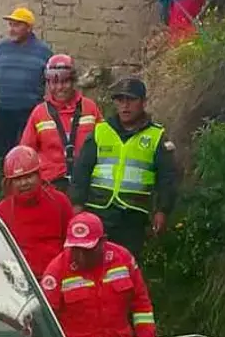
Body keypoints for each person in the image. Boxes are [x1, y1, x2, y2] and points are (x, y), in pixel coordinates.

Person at [40, 212, 169, 337]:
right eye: (75, 249)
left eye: (87, 250)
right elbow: (44, 322)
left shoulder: (123, 259)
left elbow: (141, 306)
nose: (80, 256)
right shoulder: (56, 271)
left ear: (103, 241)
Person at [70, 77, 178, 261]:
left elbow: (167, 178)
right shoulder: (100, 131)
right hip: (98, 211)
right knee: (93, 263)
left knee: (124, 266)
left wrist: (162, 210)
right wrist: (77, 206)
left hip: (133, 216)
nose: (125, 105)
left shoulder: (156, 135)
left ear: (143, 102)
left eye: (131, 99)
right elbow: (81, 171)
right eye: (120, 100)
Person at [0, 6, 54, 160]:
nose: (12, 29)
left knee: (27, 154)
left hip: (31, 114)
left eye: (17, 25)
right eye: (11, 25)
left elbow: (53, 81)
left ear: (29, 28)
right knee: (2, 156)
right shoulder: (1, 49)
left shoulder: (43, 52)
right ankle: (1, 182)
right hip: (4, 112)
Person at [18, 54, 102, 195]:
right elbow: (25, 154)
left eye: (65, 82)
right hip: (50, 186)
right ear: (48, 84)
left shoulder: (90, 108)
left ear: (73, 81)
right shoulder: (39, 113)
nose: (60, 88)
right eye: (54, 83)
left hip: (85, 184)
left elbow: (104, 144)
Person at [0, 145, 72, 276]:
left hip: (58, 277)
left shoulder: (59, 202)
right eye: (18, 179)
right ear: (9, 183)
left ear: (39, 175)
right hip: (20, 280)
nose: (24, 183)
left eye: (29, 176)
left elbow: (70, 243)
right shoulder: (1, 212)